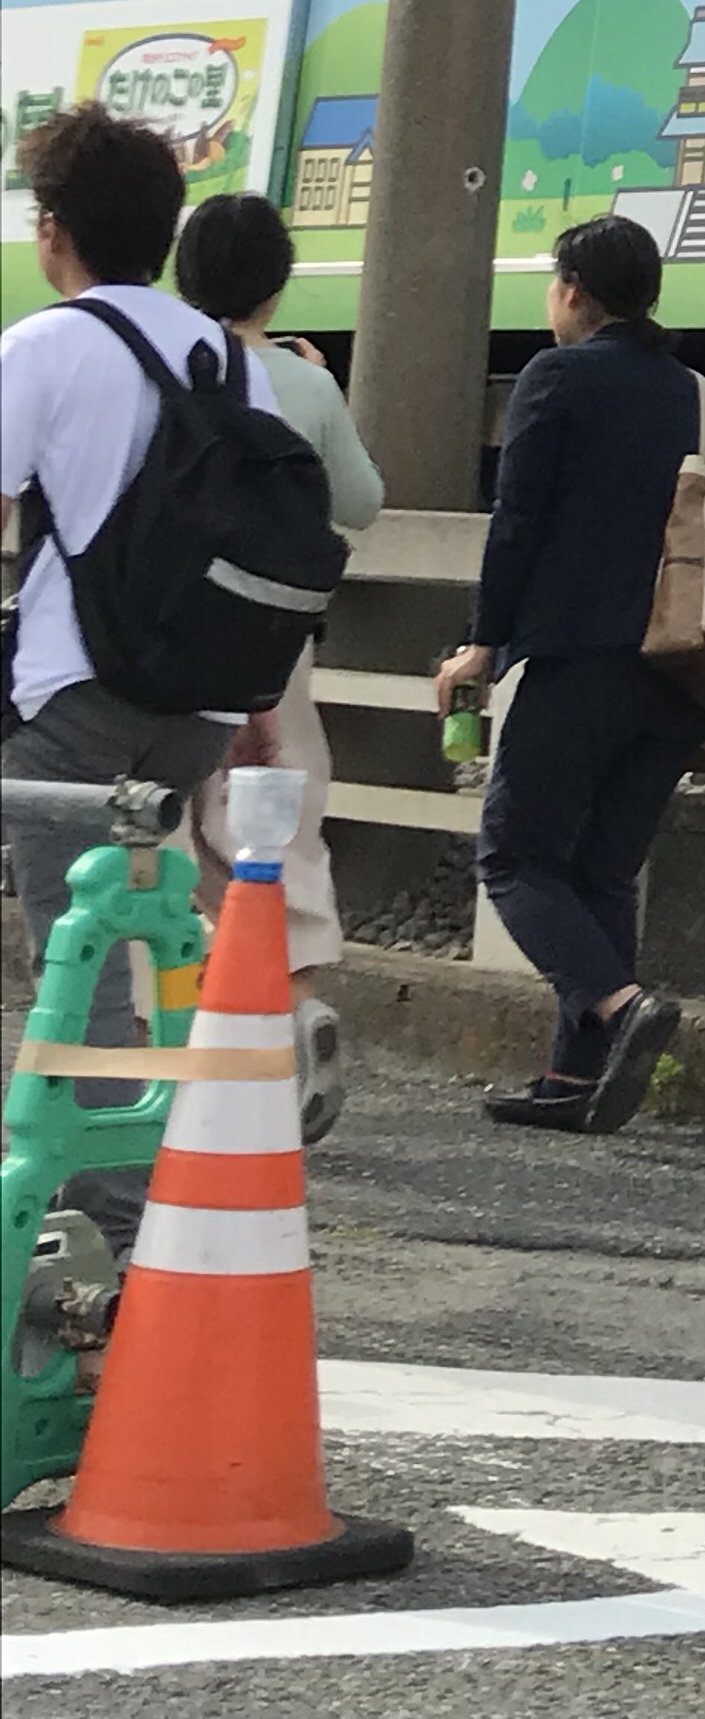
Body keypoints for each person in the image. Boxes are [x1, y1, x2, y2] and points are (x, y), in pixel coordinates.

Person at [0, 108, 285, 1262]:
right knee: (153, 934)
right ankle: (179, 1168)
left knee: (79, 957)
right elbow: (260, 546)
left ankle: (106, 1222)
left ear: (52, 229)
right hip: (202, 709)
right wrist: (257, 709)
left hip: (79, 699)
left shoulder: (45, 346)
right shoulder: (235, 363)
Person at [433, 213, 705, 1133]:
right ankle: (572, 1081)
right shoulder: (696, 394)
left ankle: (622, 1008)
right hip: (679, 671)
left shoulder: (557, 377)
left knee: (513, 858)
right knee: (600, 874)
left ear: (574, 291)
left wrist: (483, 642)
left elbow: (517, 522)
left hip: (582, 660)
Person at [174, 192, 383, 1144]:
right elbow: (362, 501)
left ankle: (194, 1027)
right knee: (278, 810)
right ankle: (297, 1002)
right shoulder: (304, 384)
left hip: (170, 630)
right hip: (273, 635)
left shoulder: (169, 364)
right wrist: (320, 391)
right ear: (277, 285)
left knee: (170, 820)